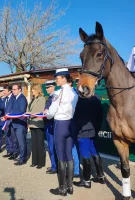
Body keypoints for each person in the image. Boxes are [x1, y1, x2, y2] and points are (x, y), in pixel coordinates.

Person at [44, 68, 78, 196]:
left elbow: (51, 112)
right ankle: (70, 186)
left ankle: (62, 188)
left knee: (61, 157)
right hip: (71, 124)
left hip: (61, 124)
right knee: (69, 155)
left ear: (64, 78)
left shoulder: (58, 93)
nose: (56, 80)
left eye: (57, 78)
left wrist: (47, 114)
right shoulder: (74, 93)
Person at [73, 95, 106, 188]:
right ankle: (101, 176)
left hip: (83, 131)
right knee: (94, 152)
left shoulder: (80, 100)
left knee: (85, 155)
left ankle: (86, 181)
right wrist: (97, 128)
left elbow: (76, 116)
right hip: (93, 130)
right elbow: (100, 115)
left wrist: (77, 130)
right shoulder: (96, 99)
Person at [27, 83, 46, 169]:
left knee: (40, 144)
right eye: (32, 90)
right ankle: (34, 161)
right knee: (34, 144)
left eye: (34, 89)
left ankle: (41, 162)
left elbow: (39, 111)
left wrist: (29, 114)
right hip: (32, 123)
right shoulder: (33, 99)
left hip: (38, 124)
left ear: (38, 90)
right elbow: (29, 109)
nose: (32, 91)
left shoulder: (41, 99)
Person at [10, 84, 28, 166]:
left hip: (20, 123)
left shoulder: (22, 98)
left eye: (14, 89)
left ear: (20, 89)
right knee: (16, 141)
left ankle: (22, 159)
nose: (13, 91)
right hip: (15, 123)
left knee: (21, 142)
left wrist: (11, 114)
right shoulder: (15, 98)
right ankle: (21, 155)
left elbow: (21, 111)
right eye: (12, 89)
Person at [1, 85, 18, 160]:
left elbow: (14, 109)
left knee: (13, 137)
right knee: (8, 136)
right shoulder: (5, 99)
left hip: (12, 120)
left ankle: (15, 153)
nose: (3, 92)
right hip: (6, 120)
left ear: (9, 91)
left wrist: (8, 116)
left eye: (5, 90)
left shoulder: (13, 98)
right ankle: (9, 151)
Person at [44, 80, 57, 174]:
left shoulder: (55, 97)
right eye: (46, 88)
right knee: (50, 146)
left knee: (53, 146)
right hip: (48, 123)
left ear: (53, 87)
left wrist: (46, 112)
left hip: (53, 123)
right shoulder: (50, 97)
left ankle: (55, 167)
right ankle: (54, 165)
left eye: (48, 87)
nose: (47, 89)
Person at [68, 77, 80, 178]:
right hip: (69, 122)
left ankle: (76, 170)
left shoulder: (74, 94)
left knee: (73, 147)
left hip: (73, 122)